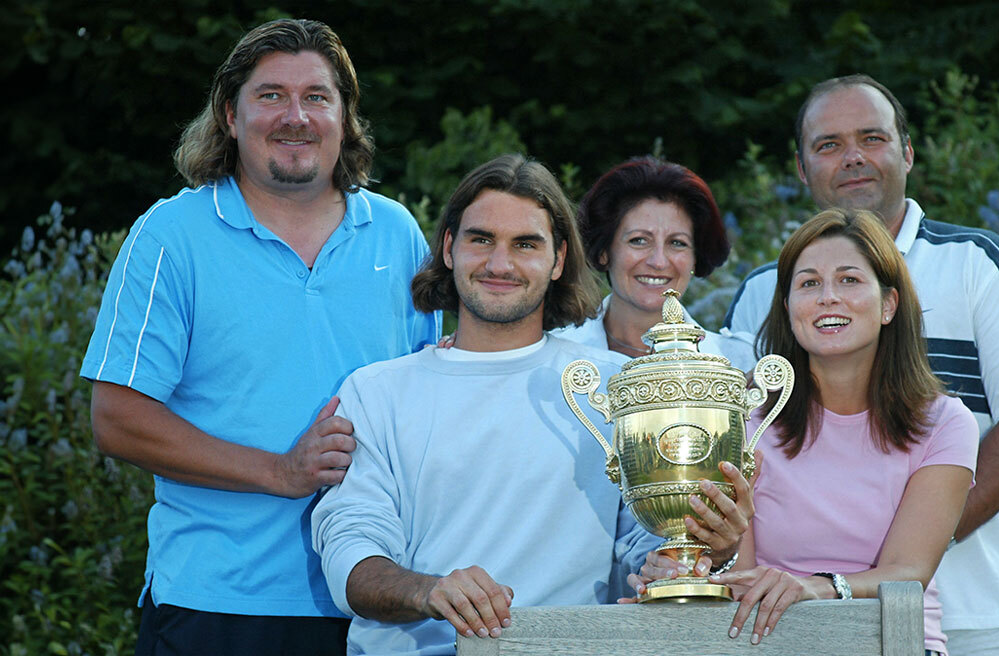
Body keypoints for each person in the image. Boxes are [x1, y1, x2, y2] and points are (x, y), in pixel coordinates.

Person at [80, 19, 439, 656]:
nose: (295, 116)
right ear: (230, 113)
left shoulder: (397, 235)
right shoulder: (171, 235)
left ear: (345, 116)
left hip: (373, 602)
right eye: (271, 95)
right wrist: (280, 470)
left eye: (317, 97)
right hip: (215, 605)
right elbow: (117, 418)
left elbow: (427, 413)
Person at [311, 154, 752, 655]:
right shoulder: (375, 392)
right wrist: (429, 591)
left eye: (525, 244)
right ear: (450, 248)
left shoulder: (616, 387)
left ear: (559, 259)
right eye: (482, 239)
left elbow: (646, 548)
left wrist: (704, 552)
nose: (500, 264)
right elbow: (351, 554)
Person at [723, 74, 999, 655]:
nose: (853, 158)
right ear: (801, 167)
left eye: (872, 137)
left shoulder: (980, 262)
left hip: (972, 614)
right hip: (795, 626)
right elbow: (745, 447)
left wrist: (909, 546)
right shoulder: (764, 291)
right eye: (828, 144)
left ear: (907, 152)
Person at [709, 208, 978, 655]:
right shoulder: (746, 421)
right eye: (809, 283)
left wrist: (819, 587)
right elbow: (741, 573)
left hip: (896, 642)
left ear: (889, 303)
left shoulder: (945, 423)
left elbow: (909, 569)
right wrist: (701, 566)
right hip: (772, 644)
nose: (828, 297)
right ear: (789, 307)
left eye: (849, 280)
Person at [554, 156, 756, 371]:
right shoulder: (555, 360)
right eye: (639, 240)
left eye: (677, 243)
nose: (658, 262)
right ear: (604, 251)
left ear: (696, 258)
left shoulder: (739, 362)